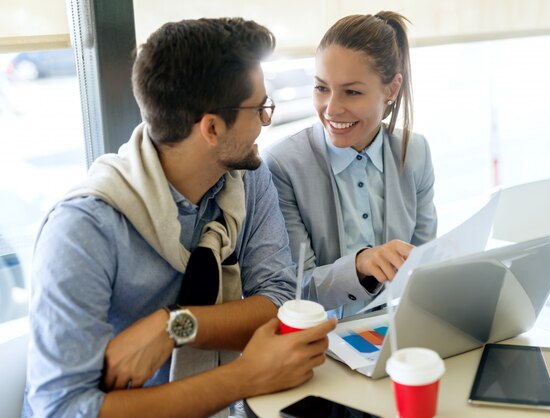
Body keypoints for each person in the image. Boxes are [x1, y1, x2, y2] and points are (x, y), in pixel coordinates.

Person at [23, 17, 335, 418]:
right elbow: (63, 410)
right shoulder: (83, 230)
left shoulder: (245, 181)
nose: (265, 121)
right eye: (259, 108)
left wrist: (175, 325)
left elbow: (276, 300)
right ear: (211, 128)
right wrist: (245, 377)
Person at [263, 11, 437, 318]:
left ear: (391, 89)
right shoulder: (283, 165)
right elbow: (293, 292)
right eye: (321, 88)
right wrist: (359, 265)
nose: (331, 109)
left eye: (352, 92)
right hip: (324, 341)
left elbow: (425, 265)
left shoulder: (416, 152)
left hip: (401, 327)